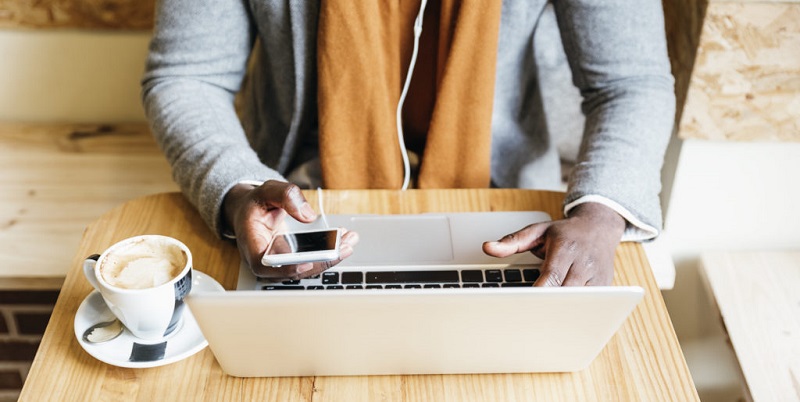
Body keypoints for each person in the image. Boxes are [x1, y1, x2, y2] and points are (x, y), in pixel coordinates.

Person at [142, 0, 675, 286]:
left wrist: (602, 212)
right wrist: (239, 189)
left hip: (502, 202)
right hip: (298, 201)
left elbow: (630, 82)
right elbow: (188, 76)